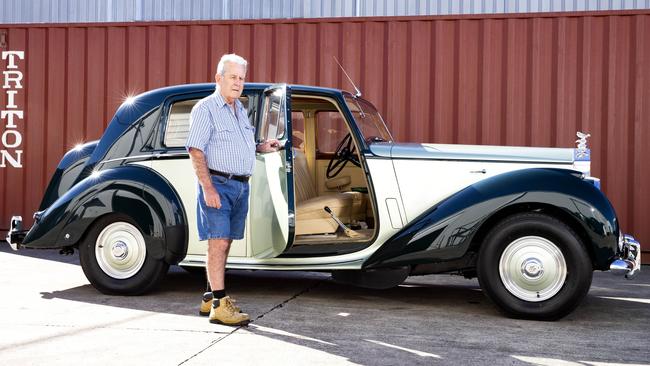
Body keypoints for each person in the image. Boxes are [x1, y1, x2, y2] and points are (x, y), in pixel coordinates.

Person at [186, 53, 279, 326]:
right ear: (219, 78)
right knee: (218, 242)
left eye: (242, 78)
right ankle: (219, 305)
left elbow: (240, 146)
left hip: (239, 185)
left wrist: (262, 147)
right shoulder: (206, 109)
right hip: (219, 184)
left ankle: (208, 296)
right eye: (233, 77)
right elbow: (195, 149)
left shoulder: (240, 110)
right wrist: (209, 188)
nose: (239, 83)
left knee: (224, 243)